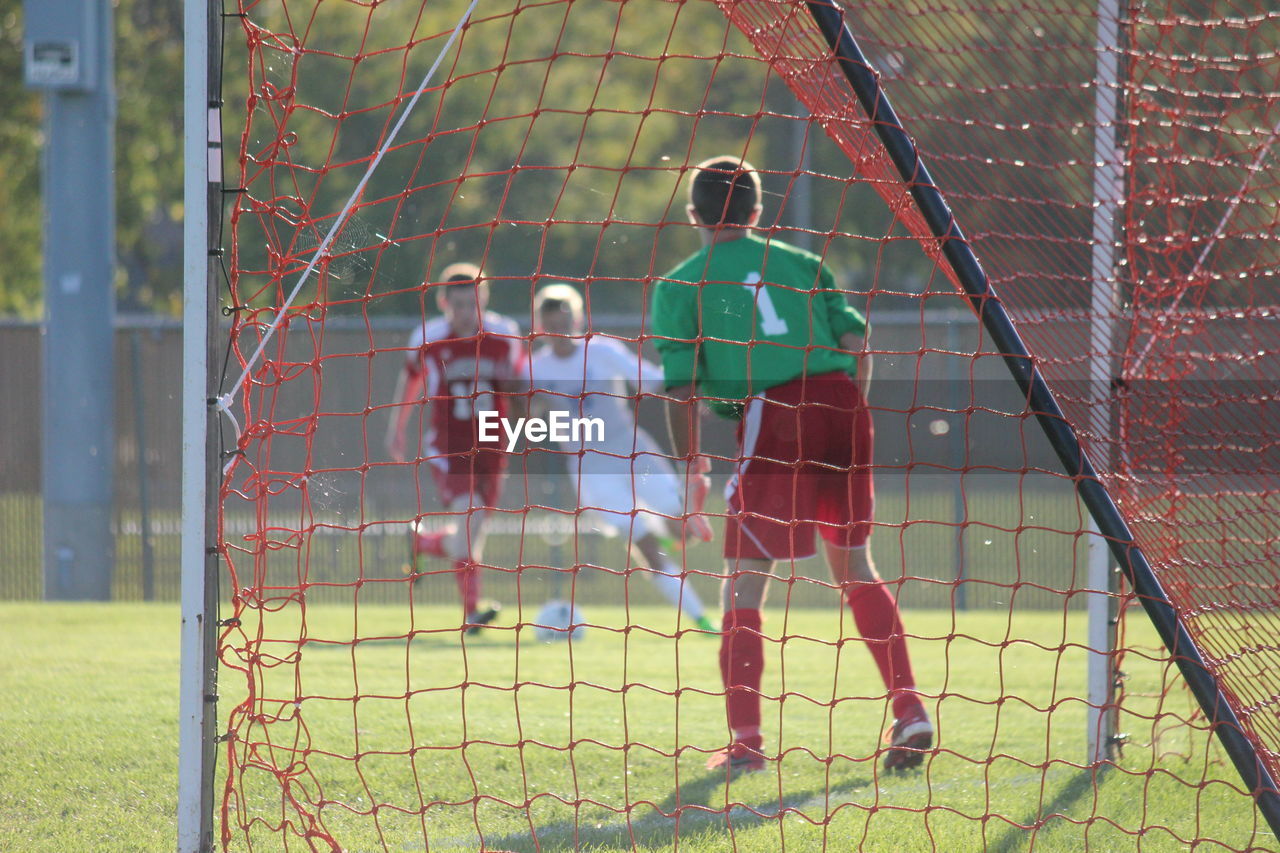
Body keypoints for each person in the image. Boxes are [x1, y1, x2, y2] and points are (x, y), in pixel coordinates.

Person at [651, 156, 933, 774]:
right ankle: (910, 709)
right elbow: (858, 348)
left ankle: (746, 743)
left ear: (693, 214)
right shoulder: (806, 265)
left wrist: (691, 468)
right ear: (757, 212)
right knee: (855, 565)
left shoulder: (681, 285)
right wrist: (847, 412)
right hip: (842, 403)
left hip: (776, 415)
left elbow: (681, 391)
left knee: (743, 580)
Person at [528, 283, 716, 633]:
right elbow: (519, 412)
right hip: (590, 467)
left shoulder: (601, 351)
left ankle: (664, 530)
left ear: (578, 318)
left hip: (632, 450)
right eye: (551, 325)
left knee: (686, 527)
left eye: (565, 322)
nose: (560, 332)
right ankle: (702, 620)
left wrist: (691, 387)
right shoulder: (533, 370)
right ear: (541, 327)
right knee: (645, 545)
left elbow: (652, 381)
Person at [386, 262, 525, 634]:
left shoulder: (505, 334)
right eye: (459, 304)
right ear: (445, 303)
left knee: (471, 536)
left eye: (474, 303)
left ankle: (424, 543)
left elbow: (517, 386)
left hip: (493, 447)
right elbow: (410, 378)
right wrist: (396, 427)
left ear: (484, 300)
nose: (467, 313)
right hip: (449, 447)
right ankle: (471, 614)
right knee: (470, 522)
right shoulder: (429, 337)